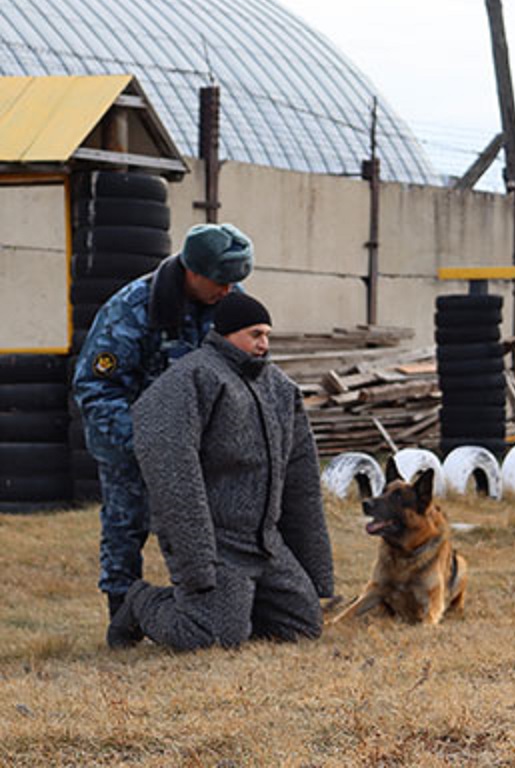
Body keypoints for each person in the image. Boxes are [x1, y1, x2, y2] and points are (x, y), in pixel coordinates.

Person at [107, 292, 334, 650]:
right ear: (227, 333)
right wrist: (196, 562)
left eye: (268, 335)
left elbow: (301, 476)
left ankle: (235, 607)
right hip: (218, 543)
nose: (264, 344)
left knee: (302, 626)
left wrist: (314, 567)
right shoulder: (190, 379)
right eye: (255, 334)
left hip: (264, 542)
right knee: (208, 638)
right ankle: (141, 601)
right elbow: (173, 472)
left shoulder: (279, 387)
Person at [73, 223, 254, 629]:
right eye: (220, 280)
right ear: (193, 270)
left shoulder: (230, 303)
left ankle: (215, 610)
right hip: (134, 442)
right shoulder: (131, 310)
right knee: (126, 525)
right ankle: (122, 615)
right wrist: (150, 441)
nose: (228, 290)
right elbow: (96, 388)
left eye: (235, 281)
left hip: (204, 445)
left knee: (218, 525)